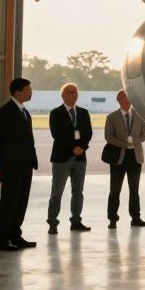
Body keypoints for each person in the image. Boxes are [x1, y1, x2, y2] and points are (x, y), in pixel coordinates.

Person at [0, 78, 38, 252]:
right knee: (8, 202)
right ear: (17, 91)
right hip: (12, 166)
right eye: (27, 89)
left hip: (26, 166)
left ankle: (15, 235)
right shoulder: (5, 112)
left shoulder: (24, 112)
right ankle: (2, 240)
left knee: (21, 202)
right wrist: (5, 159)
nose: (31, 92)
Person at [47, 83, 93, 234]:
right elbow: (57, 134)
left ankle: (76, 221)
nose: (74, 95)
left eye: (76, 92)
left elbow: (88, 133)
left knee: (78, 192)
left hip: (80, 158)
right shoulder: (55, 113)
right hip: (62, 158)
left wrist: (82, 147)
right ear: (63, 95)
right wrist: (73, 148)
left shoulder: (84, 112)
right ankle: (53, 223)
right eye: (70, 92)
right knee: (57, 193)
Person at [104, 90, 145, 229]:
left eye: (127, 96)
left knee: (134, 190)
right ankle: (112, 219)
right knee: (115, 190)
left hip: (135, 157)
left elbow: (144, 135)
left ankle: (136, 217)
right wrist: (124, 143)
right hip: (119, 157)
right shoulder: (112, 117)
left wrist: (134, 141)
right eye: (122, 96)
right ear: (119, 100)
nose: (126, 98)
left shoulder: (139, 116)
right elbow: (108, 136)